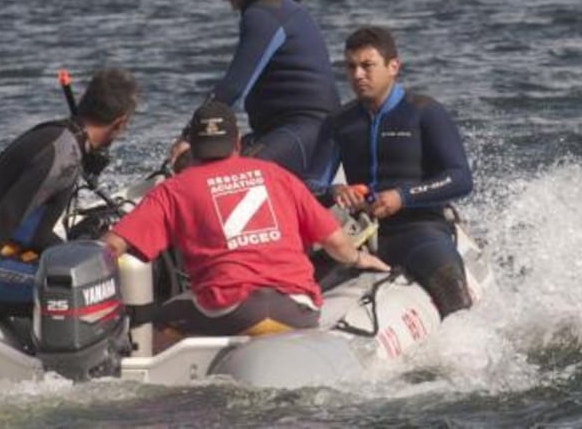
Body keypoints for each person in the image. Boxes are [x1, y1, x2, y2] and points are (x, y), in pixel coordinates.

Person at [103, 100, 388, 339]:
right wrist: (360, 260)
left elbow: (111, 247)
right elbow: (335, 242)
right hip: (296, 308)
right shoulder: (276, 174)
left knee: (156, 322)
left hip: (230, 312)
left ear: (192, 146)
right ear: (237, 142)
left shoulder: (172, 190)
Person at [0, 68, 139, 320]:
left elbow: (37, 235)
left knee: (94, 275)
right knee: (94, 291)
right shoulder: (62, 154)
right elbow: (1, 219)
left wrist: (86, 255)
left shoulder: (66, 142)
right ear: (120, 122)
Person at [304, 26, 474, 319]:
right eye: (351, 66)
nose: (357, 75)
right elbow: (309, 184)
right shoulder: (340, 122)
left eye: (367, 65)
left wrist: (403, 197)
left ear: (393, 66)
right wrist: (334, 192)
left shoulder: (424, 112)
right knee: (299, 288)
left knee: (451, 286)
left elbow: (460, 178)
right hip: (358, 236)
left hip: (421, 230)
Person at [168, 0, 340, 177]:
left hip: (310, 135)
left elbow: (234, 88)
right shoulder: (277, 5)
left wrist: (189, 136)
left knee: (227, 174)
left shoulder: (264, 14)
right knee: (195, 164)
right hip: (284, 132)